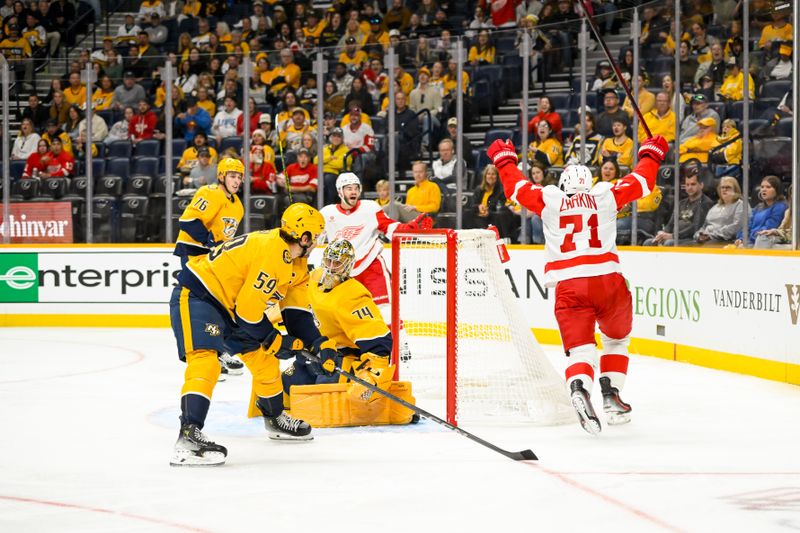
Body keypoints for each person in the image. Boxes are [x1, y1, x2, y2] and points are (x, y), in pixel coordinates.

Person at [487, 134, 669, 434]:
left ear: (564, 186)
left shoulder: (550, 199)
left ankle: (579, 389)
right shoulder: (604, 195)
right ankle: (611, 396)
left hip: (569, 285)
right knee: (616, 340)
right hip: (608, 281)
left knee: (580, 350)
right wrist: (651, 153)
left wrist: (505, 158)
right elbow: (642, 182)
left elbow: (516, 188)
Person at [168, 204, 335, 466]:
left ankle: (275, 419)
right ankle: (188, 436)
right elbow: (248, 313)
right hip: (200, 296)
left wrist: (320, 344)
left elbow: (297, 315)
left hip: (231, 310)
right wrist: (275, 340)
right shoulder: (272, 251)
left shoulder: (298, 266)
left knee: (265, 362)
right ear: (304, 237)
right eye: (316, 237)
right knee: (206, 361)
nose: (317, 243)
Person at [280, 238, 406, 424]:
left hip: (339, 361)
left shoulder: (354, 295)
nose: (331, 267)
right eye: (328, 260)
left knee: (316, 411)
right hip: (312, 355)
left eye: (337, 263)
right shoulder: (313, 278)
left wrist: (372, 374)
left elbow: (379, 337)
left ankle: (390, 408)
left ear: (347, 265)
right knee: (279, 393)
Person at [318, 173, 432, 324]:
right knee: (342, 315)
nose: (353, 192)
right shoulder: (327, 214)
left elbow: (391, 228)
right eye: (348, 189)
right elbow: (314, 238)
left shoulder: (370, 208)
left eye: (355, 188)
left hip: (371, 267)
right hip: (343, 274)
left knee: (386, 310)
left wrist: (410, 228)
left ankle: (400, 346)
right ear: (339, 192)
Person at [644, 172, 714, 246]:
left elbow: (696, 227)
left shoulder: (705, 203)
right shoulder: (681, 203)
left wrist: (673, 236)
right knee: (648, 242)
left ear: (701, 185)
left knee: (669, 243)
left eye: (693, 184)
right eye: (687, 185)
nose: (689, 187)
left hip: (692, 239)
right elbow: (670, 224)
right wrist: (662, 234)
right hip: (675, 237)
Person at [735, 176, 788, 248]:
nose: (764, 190)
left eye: (768, 187)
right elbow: (747, 225)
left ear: (777, 190)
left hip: (764, 241)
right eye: (762, 187)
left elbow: (769, 227)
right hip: (751, 240)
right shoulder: (758, 207)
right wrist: (741, 238)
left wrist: (750, 237)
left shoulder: (780, 206)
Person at [694, 177, 744, 245]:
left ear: (735, 190)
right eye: (722, 187)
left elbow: (737, 227)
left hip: (724, 241)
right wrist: (698, 235)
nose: (724, 189)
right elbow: (704, 226)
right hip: (706, 239)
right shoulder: (715, 207)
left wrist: (711, 235)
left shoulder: (740, 204)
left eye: (728, 187)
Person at [471, 164, 516, 239]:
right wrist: (478, 207)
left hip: (492, 216)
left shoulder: (501, 190)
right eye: (488, 174)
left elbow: (500, 206)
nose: (490, 176)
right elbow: (472, 205)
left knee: (500, 215)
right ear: (485, 176)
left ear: (497, 176)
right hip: (479, 215)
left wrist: (488, 212)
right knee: (466, 214)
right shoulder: (479, 190)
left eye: (493, 174)